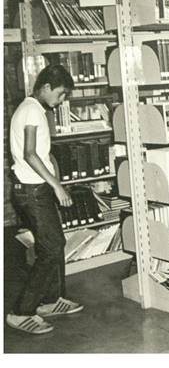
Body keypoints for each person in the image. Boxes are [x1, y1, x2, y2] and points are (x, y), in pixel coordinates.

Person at [6, 64, 84, 335]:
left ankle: (51, 300)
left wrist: (52, 175)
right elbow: (29, 153)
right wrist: (57, 187)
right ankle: (21, 311)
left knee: (53, 244)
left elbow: (38, 151)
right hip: (32, 191)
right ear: (47, 87)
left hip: (35, 189)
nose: (62, 101)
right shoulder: (31, 111)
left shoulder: (34, 109)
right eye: (61, 94)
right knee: (51, 248)